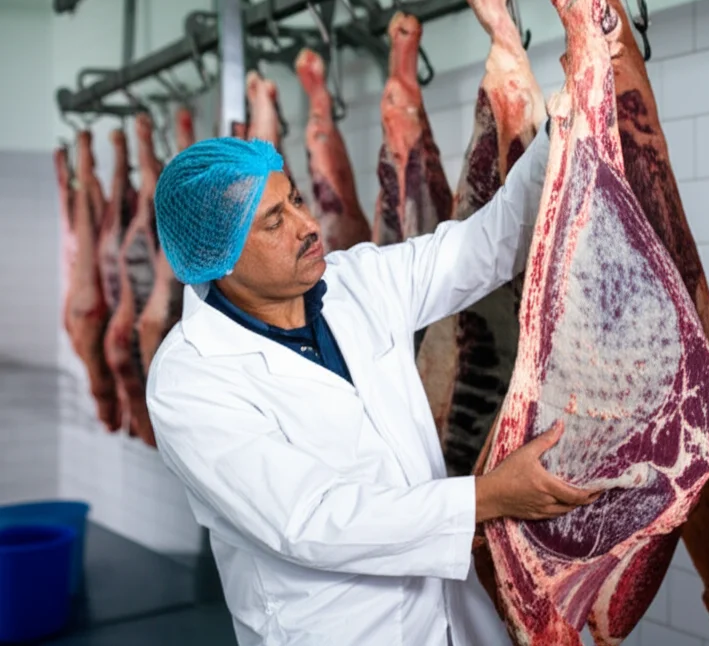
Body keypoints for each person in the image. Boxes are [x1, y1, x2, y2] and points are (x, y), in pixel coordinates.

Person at [145, 123, 600, 646]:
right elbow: (309, 519)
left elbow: (484, 248)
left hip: (454, 617)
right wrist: (487, 499)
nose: (307, 224)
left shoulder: (354, 281)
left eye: (295, 199)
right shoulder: (190, 380)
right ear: (220, 257)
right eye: (275, 221)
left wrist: (559, 129)